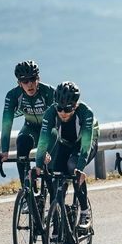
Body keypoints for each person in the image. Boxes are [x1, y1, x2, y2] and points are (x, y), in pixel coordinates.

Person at [35, 81, 99, 226]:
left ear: (75, 105)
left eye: (68, 109)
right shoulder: (50, 112)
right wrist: (38, 164)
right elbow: (43, 140)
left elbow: (85, 146)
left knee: (72, 167)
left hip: (85, 144)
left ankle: (84, 211)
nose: (63, 113)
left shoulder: (86, 113)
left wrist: (80, 168)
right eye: (60, 108)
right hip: (65, 143)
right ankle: (57, 217)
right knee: (56, 175)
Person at [0, 60, 55, 185]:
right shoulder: (13, 95)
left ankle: (52, 196)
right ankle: (27, 189)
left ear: (38, 79)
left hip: (51, 131)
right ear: (19, 83)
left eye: (32, 79)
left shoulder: (49, 92)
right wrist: (5, 151)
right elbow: (6, 123)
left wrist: (46, 150)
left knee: (50, 172)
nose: (30, 84)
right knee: (22, 144)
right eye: (25, 81)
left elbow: (58, 122)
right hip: (30, 128)